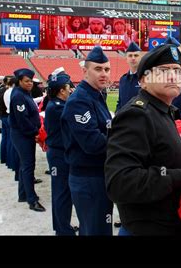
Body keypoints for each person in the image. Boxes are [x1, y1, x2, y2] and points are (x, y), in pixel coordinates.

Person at [105, 44, 181, 236]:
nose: (172, 76)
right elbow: (120, 182)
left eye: (178, 71)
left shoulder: (164, 111)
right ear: (144, 81)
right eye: (163, 71)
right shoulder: (137, 115)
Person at [61, 46, 113, 236]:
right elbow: (93, 143)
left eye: (107, 69)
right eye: (98, 69)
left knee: (97, 228)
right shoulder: (80, 100)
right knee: (95, 230)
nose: (104, 74)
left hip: (98, 175)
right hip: (89, 178)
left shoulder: (96, 95)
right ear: (85, 71)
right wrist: (124, 143)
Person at [9, 68, 45, 212]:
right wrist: (35, 132)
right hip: (22, 135)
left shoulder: (24, 93)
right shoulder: (18, 95)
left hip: (24, 134)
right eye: (26, 81)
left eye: (31, 81)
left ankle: (23, 194)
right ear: (19, 81)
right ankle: (32, 199)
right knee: (29, 166)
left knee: (24, 165)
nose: (30, 83)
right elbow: (22, 120)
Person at [44, 71, 76, 236]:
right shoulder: (58, 107)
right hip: (59, 155)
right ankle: (63, 230)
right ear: (61, 91)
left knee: (61, 192)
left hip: (58, 153)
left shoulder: (56, 104)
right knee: (62, 194)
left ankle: (62, 227)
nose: (71, 90)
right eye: (68, 88)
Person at [116, 42, 142, 112]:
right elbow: (120, 102)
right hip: (124, 120)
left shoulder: (146, 78)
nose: (133, 58)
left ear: (141, 58)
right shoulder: (123, 79)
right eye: (130, 56)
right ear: (126, 59)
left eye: (136, 55)